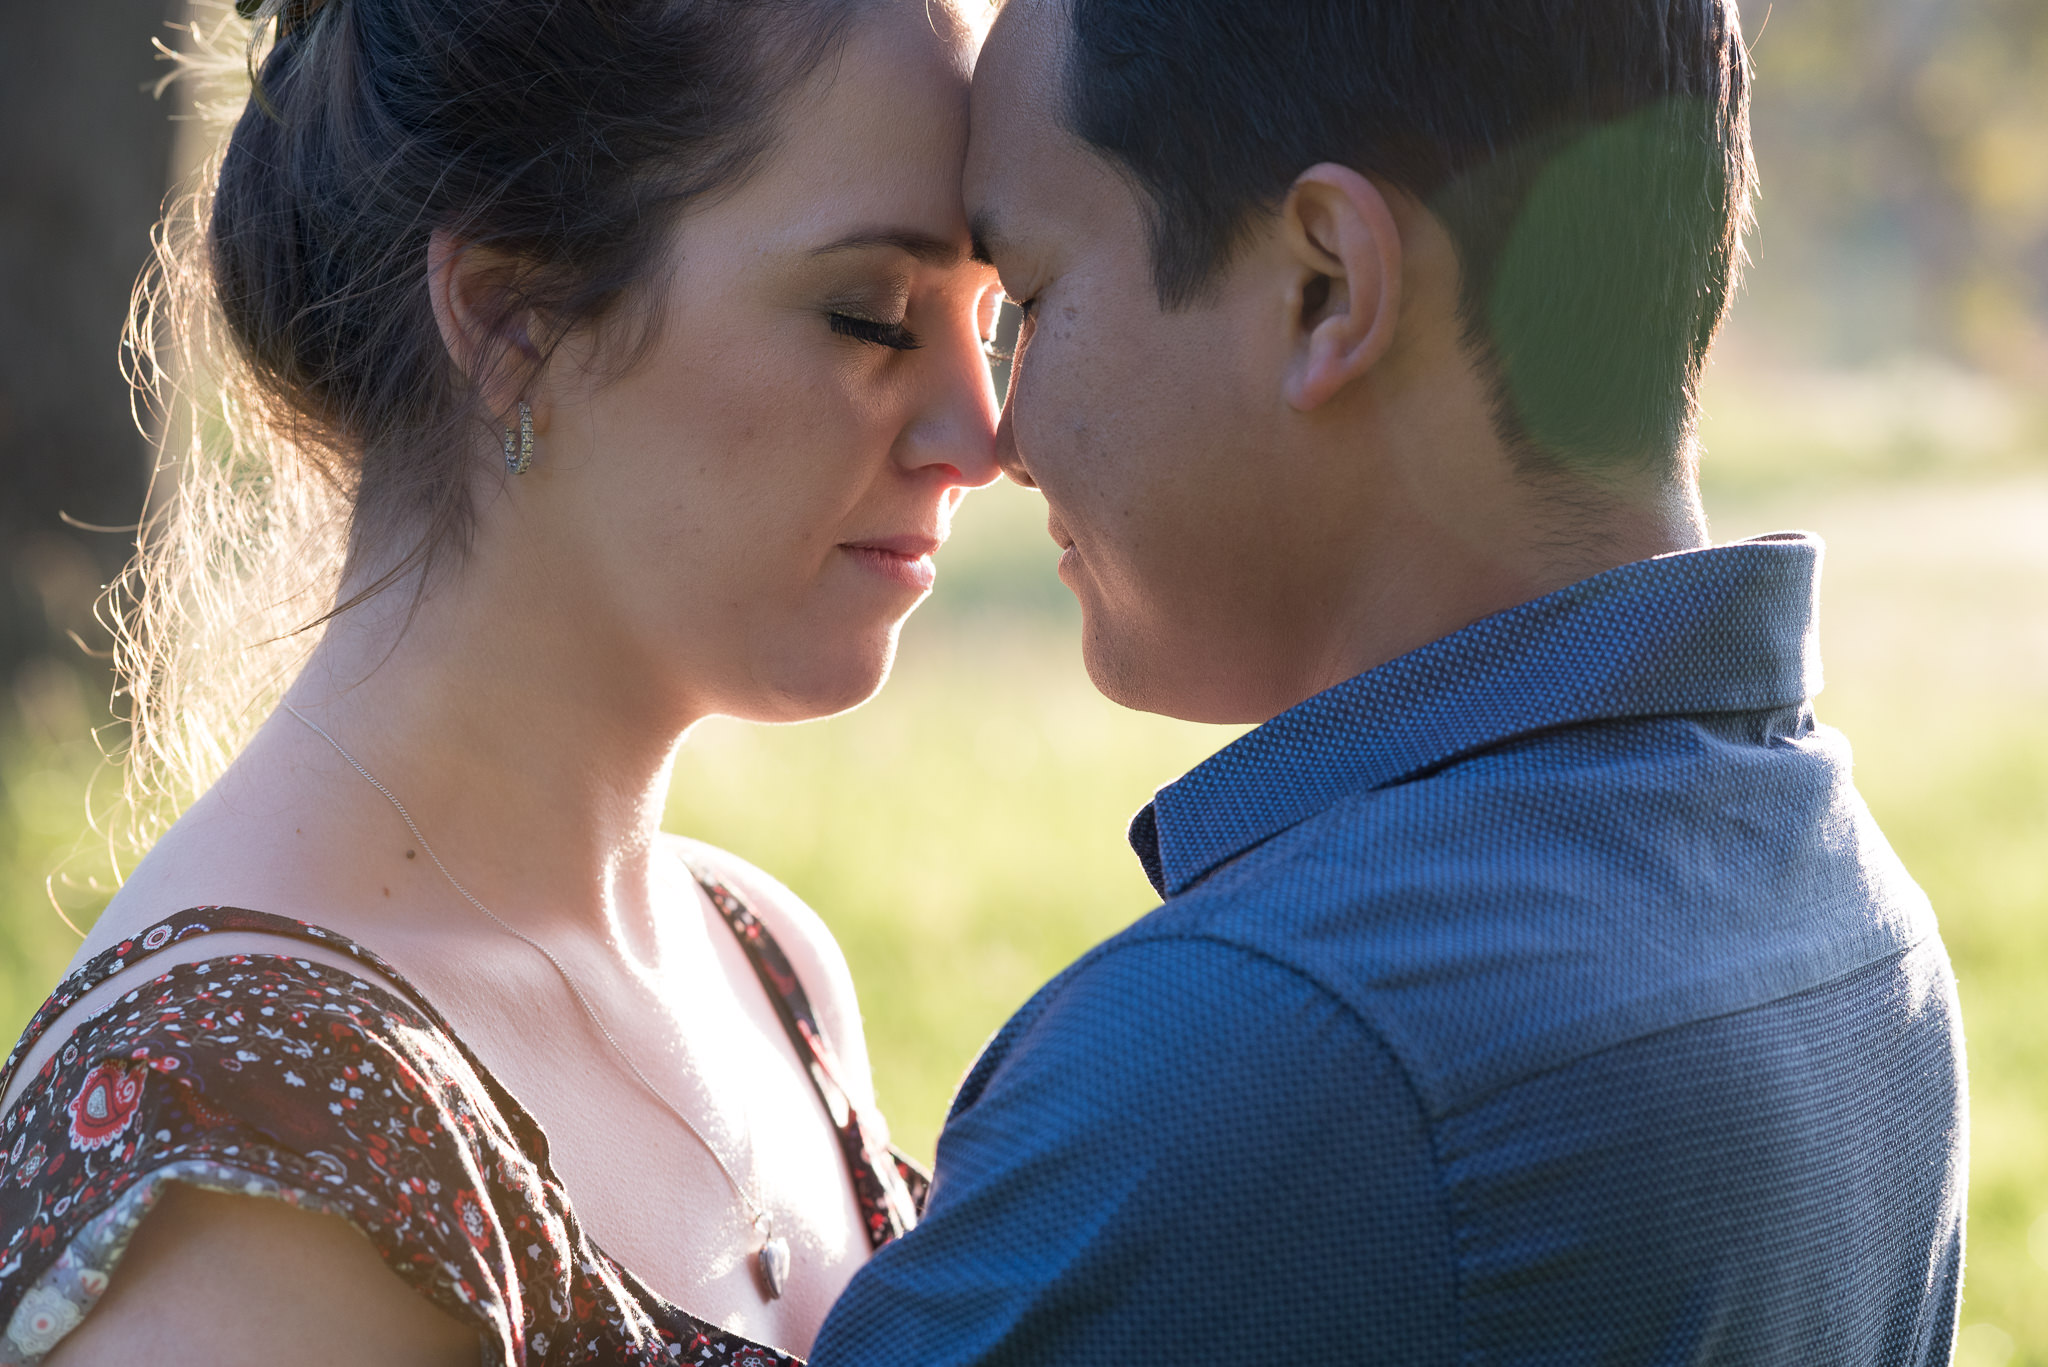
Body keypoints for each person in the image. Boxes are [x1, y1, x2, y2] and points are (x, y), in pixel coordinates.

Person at [812, 0, 1968, 1362]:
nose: (1001, 437)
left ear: (1327, 287)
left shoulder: (1268, 1041)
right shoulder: (1860, 918)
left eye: (1036, 300)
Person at [0, 0, 1001, 1361]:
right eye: (873, 315)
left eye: (994, 317)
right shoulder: (251, 1156)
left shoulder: (763, 958)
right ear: (512, 319)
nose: (979, 432)